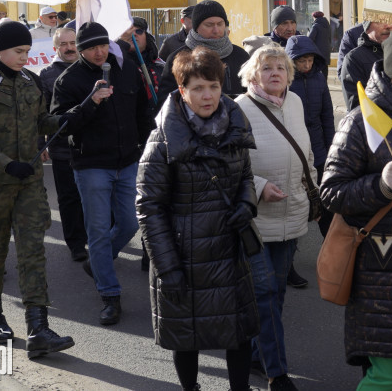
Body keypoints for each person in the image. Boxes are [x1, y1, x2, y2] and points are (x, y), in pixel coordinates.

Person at [321, 31, 392, 391]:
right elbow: (330, 192)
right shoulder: (361, 121)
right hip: (382, 272)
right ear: (390, 72)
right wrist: (381, 186)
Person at [137, 47, 260, 391]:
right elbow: (149, 208)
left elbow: (246, 177)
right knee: (186, 337)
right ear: (182, 91)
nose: (207, 96)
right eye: (198, 88)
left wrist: (246, 204)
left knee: (238, 334)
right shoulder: (162, 140)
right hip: (183, 257)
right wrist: (168, 268)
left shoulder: (234, 125)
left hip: (229, 251)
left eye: (214, 87)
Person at [0, 20, 78, 358]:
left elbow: (43, 123)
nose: (26, 57)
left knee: (33, 252)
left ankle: (38, 327)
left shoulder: (31, 82)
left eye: (27, 51)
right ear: (0, 50)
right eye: (19, 51)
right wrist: (6, 163)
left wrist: (71, 117)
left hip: (29, 185)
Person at [51, 21, 153, 326]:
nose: (99, 52)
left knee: (129, 223)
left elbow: (142, 111)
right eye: (92, 48)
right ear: (80, 50)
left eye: (103, 45)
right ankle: (110, 294)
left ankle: (98, 261)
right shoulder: (69, 80)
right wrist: (90, 102)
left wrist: (148, 146)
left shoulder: (125, 68)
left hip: (127, 160)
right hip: (92, 164)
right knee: (96, 230)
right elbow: (60, 124)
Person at [234, 46, 311, 391]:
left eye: (281, 67)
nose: (276, 73)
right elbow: (231, 164)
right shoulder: (239, 109)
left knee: (276, 291)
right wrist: (260, 186)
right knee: (263, 292)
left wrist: (314, 183)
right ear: (252, 74)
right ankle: (276, 374)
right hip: (256, 217)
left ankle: (255, 354)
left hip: (292, 210)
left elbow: (305, 150)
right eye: (267, 68)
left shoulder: (295, 103)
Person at [38, 26, 87, 262]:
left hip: (91, 146)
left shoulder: (91, 69)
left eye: (73, 43)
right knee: (69, 198)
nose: (69, 48)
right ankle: (76, 243)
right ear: (55, 48)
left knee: (93, 195)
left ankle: (95, 238)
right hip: (61, 148)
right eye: (64, 44)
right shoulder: (46, 74)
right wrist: (41, 144)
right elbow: (39, 114)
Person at [286, 34, 335, 243]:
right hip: (294, 149)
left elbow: (327, 115)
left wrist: (332, 147)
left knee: (325, 202)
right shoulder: (285, 81)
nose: (307, 65)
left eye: (310, 60)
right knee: (295, 204)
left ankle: (331, 247)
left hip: (319, 147)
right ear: (291, 61)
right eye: (301, 61)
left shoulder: (319, 77)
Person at [159, 0, 250, 104]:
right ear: (196, 27)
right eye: (209, 25)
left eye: (220, 24)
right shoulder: (178, 58)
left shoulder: (240, 56)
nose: (216, 30)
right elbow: (166, 102)